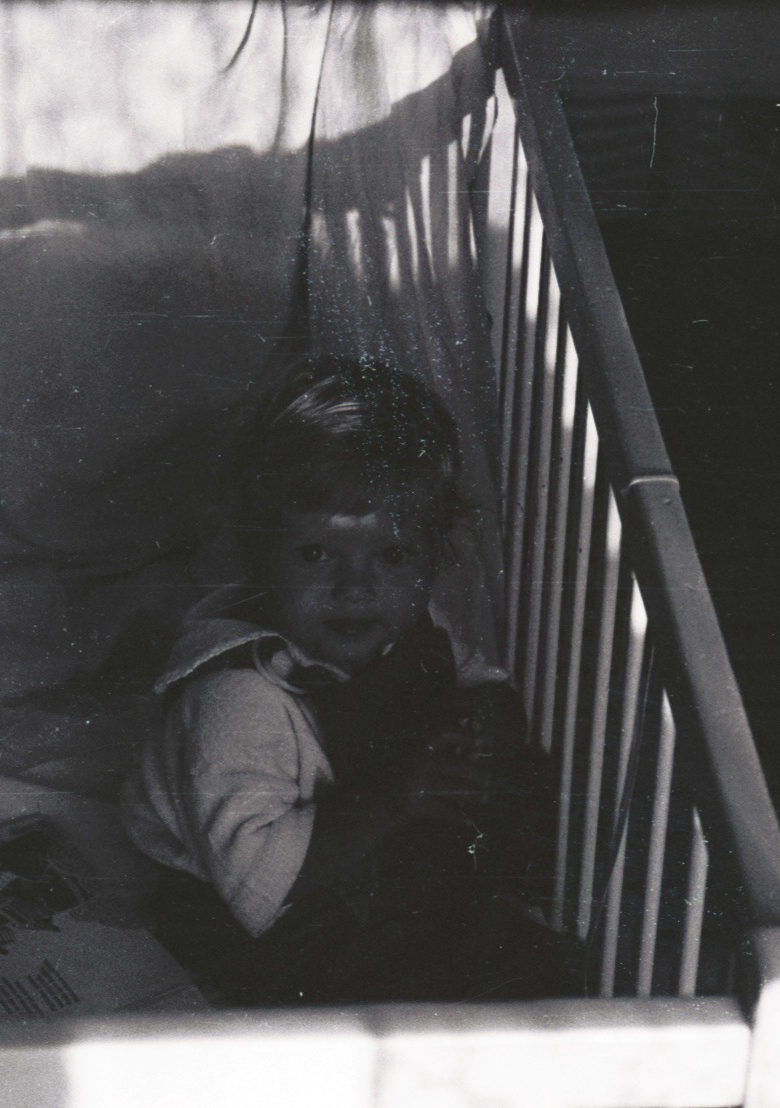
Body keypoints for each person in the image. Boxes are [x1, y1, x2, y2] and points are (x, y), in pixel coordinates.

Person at [121, 357, 581, 1005]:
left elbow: (472, 675)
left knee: (508, 937)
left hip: (358, 845)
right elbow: (259, 887)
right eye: (316, 553)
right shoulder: (236, 698)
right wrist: (395, 799)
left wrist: (480, 724)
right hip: (238, 898)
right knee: (374, 986)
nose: (355, 587)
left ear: (433, 557)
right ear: (259, 547)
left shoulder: (412, 624)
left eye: (393, 555)